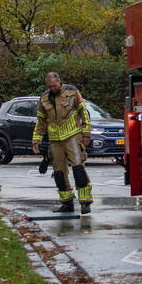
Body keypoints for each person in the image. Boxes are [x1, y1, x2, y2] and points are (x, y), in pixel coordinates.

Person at [32, 72, 94, 214]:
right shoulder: (44, 98)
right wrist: (36, 139)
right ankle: (66, 202)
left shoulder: (72, 92)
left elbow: (83, 112)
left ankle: (85, 202)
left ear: (59, 81)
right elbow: (40, 121)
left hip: (73, 135)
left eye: (54, 85)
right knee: (59, 173)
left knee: (78, 169)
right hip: (55, 139)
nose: (53, 88)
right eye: (50, 86)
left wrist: (86, 133)